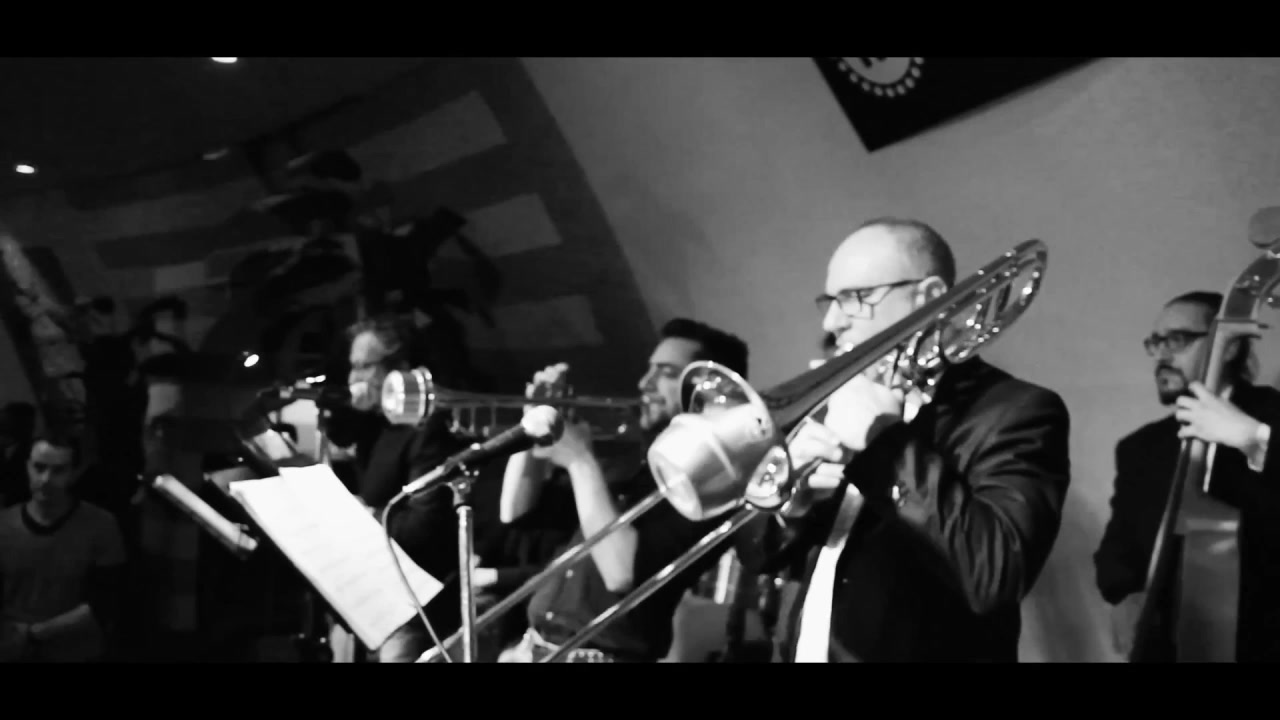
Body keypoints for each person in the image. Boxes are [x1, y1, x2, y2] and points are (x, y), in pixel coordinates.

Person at [773, 217, 1071, 662]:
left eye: (854, 298)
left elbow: (994, 576)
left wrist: (883, 443)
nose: (833, 322)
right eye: (830, 301)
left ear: (929, 297)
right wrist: (789, 510)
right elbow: (762, 558)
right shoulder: (837, 402)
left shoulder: (1019, 412)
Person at [495, 318, 751, 662]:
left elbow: (622, 574)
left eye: (666, 373)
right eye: (650, 369)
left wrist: (580, 461)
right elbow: (515, 511)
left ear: (709, 393)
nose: (645, 383)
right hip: (535, 648)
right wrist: (535, 420)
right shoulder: (633, 465)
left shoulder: (708, 486)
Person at [1094, 290, 1280, 662]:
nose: (1162, 355)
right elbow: (1118, 548)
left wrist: (1254, 439)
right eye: (1156, 342)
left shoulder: (1271, 415)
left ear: (1228, 346)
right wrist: (1124, 594)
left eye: (1177, 340)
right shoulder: (1140, 447)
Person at [323, 313, 470, 662]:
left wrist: (366, 517)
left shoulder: (426, 429)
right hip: (375, 594)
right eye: (351, 367)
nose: (353, 379)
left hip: (413, 606)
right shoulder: (376, 426)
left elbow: (424, 528)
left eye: (364, 367)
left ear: (399, 368)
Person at [0, 434, 126, 662]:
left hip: (75, 650)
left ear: (74, 473)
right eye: (39, 467)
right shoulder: (4, 525)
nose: (45, 479)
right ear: (27, 466)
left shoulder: (101, 525)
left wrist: (36, 633)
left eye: (58, 470)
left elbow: (106, 600)